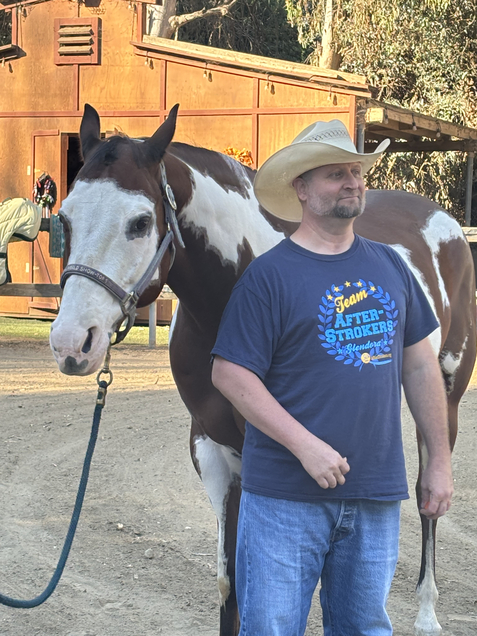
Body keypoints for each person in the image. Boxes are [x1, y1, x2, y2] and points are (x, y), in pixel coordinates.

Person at [210, 119, 453, 636]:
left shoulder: (391, 266)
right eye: (335, 174)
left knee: (365, 628)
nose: (352, 182)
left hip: (374, 493)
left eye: (356, 172)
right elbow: (230, 373)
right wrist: (305, 446)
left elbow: (419, 365)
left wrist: (439, 462)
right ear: (301, 188)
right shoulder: (268, 276)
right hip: (283, 499)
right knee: (272, 628)